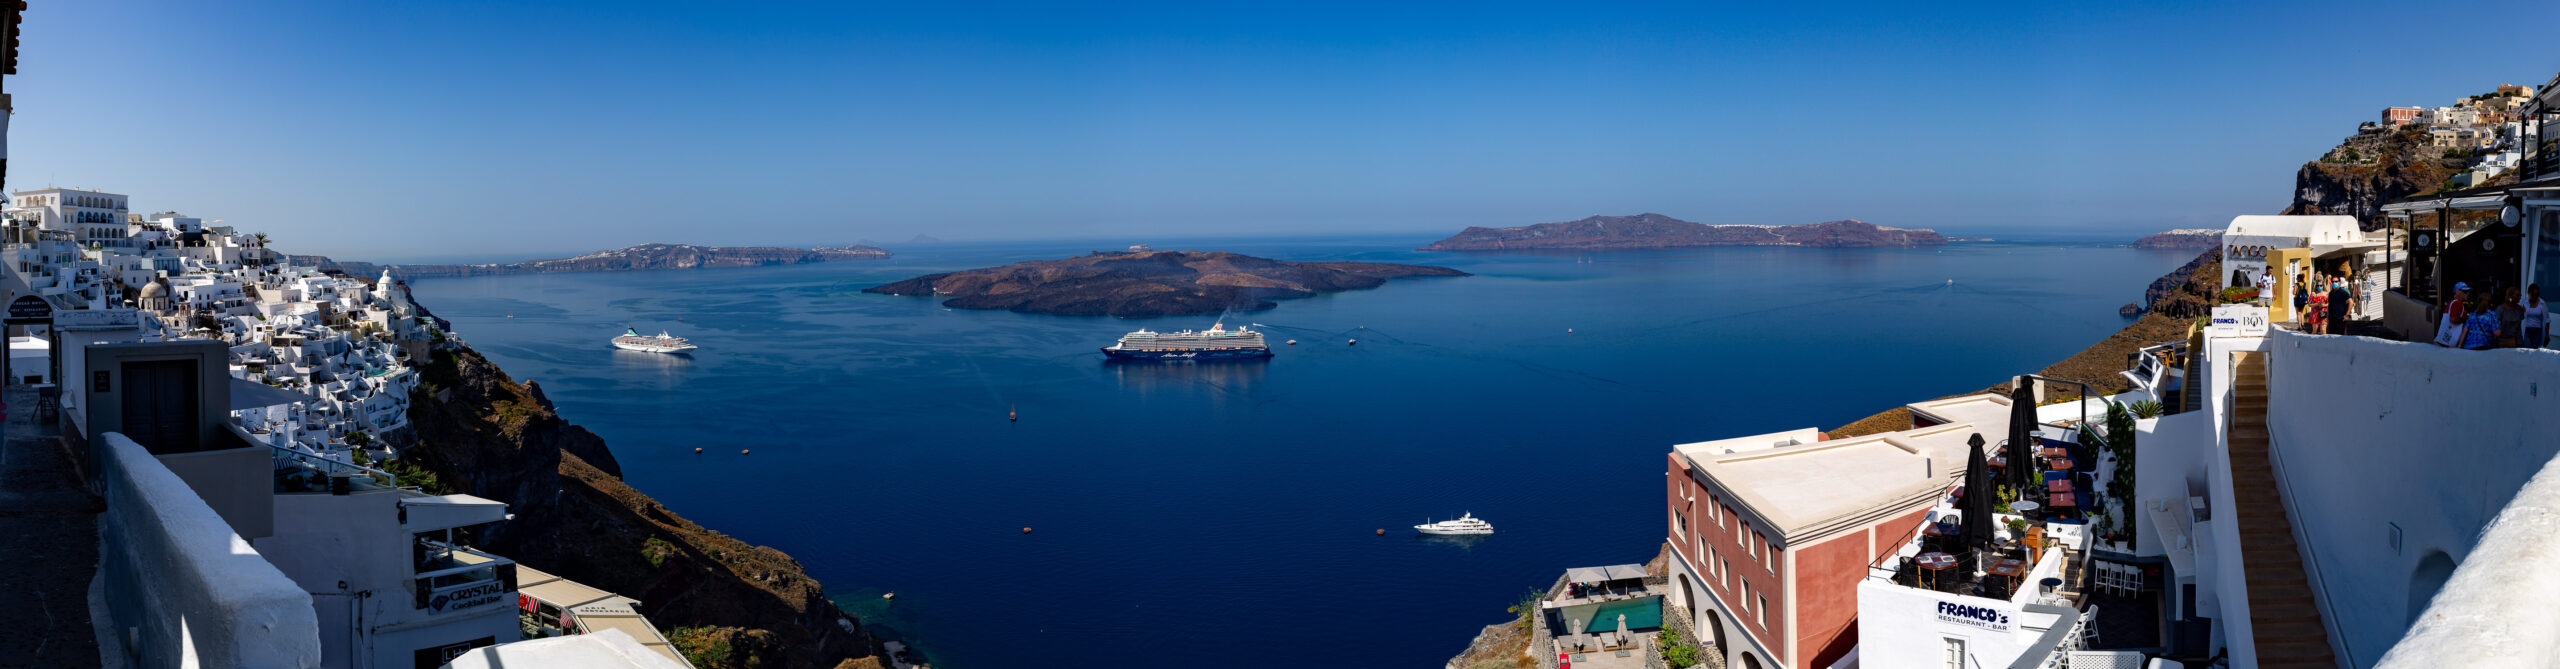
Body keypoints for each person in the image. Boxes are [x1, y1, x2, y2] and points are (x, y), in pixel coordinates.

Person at [2525, 284, 2548, 349]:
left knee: (2535, 349)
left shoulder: (2542, 303)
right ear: (2528, 293)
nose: (2535, 297)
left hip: (2537, 330)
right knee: (2527, 348)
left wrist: (2547, 335)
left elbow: (2547, 320)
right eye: (2533, 294)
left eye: (2537, 295)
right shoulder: (2524, 302)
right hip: (2526, 329)